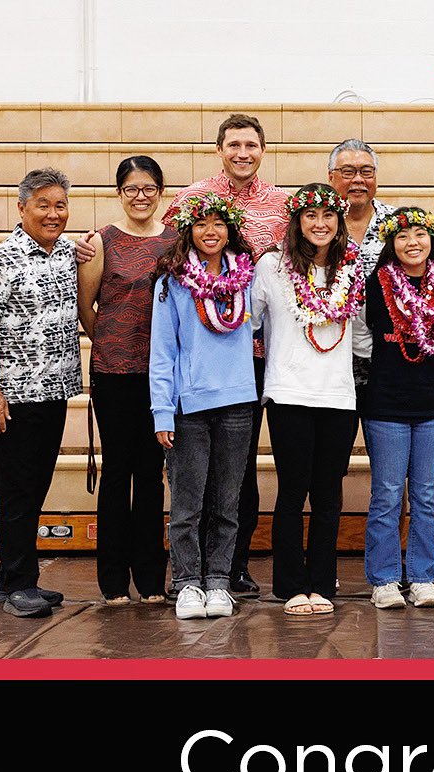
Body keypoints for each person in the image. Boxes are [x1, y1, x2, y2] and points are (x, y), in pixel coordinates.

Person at [77, 114, 289, 597]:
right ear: (218, 149)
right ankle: (141, 579)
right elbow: (91, 306)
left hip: (231, 359)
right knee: (144, 474)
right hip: (143, 368)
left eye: (250, 144)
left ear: (262, 148)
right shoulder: (183, 206)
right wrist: (113, 339)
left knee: (215, 475)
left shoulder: (278, 203)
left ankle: (216, 572)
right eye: (232, 143)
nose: (241, 151)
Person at [0, 167, 81, 617]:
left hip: (54, 391)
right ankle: (20, 584)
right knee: (16, 493)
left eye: (60, 205)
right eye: (43, 204)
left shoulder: (67, 253)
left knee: (33, 489)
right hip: (15, 397)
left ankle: (7, 579)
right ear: (22, 208)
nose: (53, 213)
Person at [251, 184, 362, 615]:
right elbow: (248, 323)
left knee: (329, 496)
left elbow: (364, 334)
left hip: (337, 395)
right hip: (288, 393)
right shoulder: (271, 267)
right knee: (293, 492)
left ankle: (322, 583)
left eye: (328, 216)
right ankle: (290, 584)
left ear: (339, 223)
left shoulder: (351, 269)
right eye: (311, 216)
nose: (320, 224)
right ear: (297, 222)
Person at [149, 194, 258, 619]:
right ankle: (186, 583)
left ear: (230, 230)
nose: (210, 232)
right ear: (188, 231)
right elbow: (162, 352)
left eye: (218, 223)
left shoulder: (246, 279)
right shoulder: (172, 282)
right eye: (201, 224)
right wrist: (162, 409)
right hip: (188, 406)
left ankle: (218, 581)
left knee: (227, 502)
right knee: (188, 503)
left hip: (237, 404)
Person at [77, 155, 176, 605]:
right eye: (132, 189)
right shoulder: (101, 241)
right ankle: (114, 581)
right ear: (120, 193)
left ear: (160, 192)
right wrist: (114, 342)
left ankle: (152, 579)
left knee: (152, 475)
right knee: (118, 472)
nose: (141, 197)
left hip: (161, 376)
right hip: (114, 373)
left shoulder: (175, 242)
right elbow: (87, 305)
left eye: (149, 188)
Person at [362, 208, 434, 609]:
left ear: (431, 239)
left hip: (433, 405)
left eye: (420, 234)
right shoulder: (376, 283)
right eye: (402, 236)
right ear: (391, 244)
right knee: (386, 494)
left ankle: (422, 577)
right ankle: (384, 579)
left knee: (426, 495)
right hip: (385, 405)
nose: (412, 243)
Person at [327, 139, 396, 412]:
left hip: (387, 363)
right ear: (330, 176)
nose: (358, 180)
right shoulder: (316, 225)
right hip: (330, 364)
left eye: (366, 172)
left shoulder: (397, 224)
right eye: (348, 172)